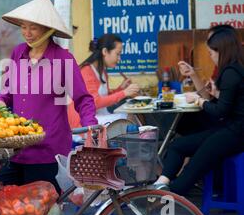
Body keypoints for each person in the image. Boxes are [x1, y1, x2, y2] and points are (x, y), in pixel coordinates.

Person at [0, 0, 98, 210]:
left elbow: (83, 98)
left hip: (48, 148)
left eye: (33, 28)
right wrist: (0, 103)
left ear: (47, 30)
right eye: (24, 27)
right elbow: (7, 90)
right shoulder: (18, 53)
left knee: (39, 211)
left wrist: (90, 125)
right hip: (16, 146)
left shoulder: (63, 59)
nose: (26, 33)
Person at [154, 25, 244, 196]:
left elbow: (220, 111)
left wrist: (200, 101)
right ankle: (159, 185)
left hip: (235, 132)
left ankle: (167, 196)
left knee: (191, 172)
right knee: (178, 146)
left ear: (221, 51)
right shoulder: (233, 69)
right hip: (227, 128)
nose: (211, 58)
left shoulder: (231, 72)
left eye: (211, 53)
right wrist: (211, 95)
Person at [67, 34, 140, 126]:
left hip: (100, 116)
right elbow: (94, 102)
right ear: (105, 51)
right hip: (84, 121)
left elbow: (104, 96)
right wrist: (124, 93)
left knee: (131, 115)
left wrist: (121, 88)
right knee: (128, 118)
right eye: (117, 54)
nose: (119, 59)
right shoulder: (86, 71)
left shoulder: (102, 72)